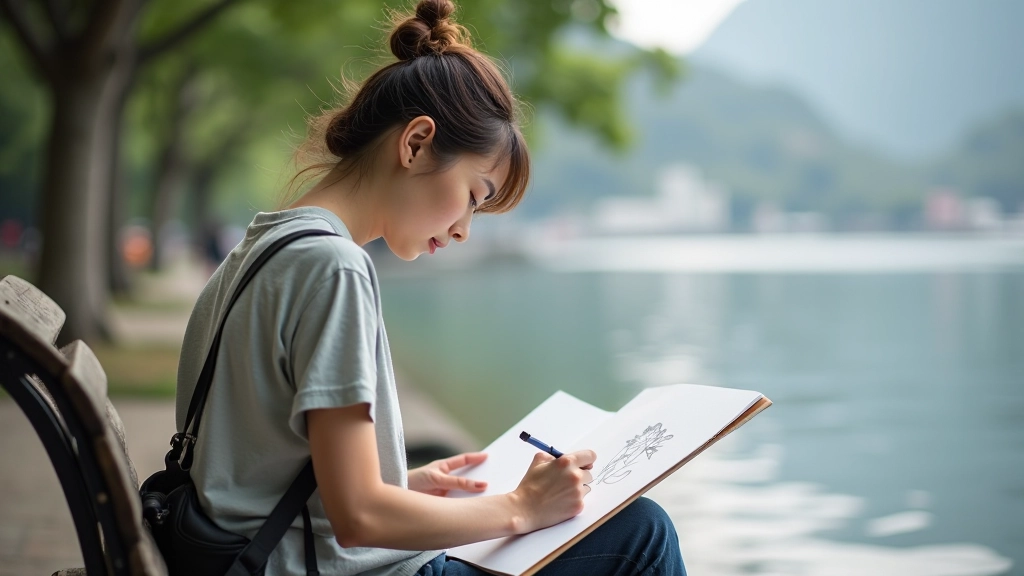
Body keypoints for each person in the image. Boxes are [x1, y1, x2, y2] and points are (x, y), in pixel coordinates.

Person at [174, 1, 686, 574]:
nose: (466, 229)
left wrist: (402, 481)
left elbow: (252, 464)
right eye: (474, 195)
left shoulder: (258, 248)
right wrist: (520, 506)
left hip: (246, 556)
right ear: (416, 143)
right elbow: (360, 517)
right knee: (644, 532)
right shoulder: (333, 268)